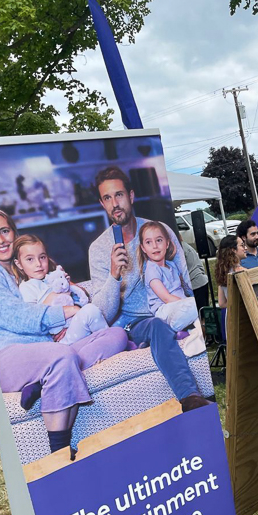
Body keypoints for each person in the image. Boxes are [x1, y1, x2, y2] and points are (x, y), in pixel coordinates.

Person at [0, 208, 128, 458]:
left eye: (4, 231)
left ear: (13, 232)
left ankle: (42, 380)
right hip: (6, 356)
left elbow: (61, 294)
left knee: (117, 335)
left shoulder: (22, 266)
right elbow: (19, 317)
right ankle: (60, 453)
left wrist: (72, 291)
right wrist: (68, 311)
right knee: (61, 357)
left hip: (48, 348)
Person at [88, 166, 210, 412]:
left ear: (131, 196)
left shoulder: (158, 231)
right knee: (157, 325)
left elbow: (183, 277)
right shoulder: (99, 249)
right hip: (137, 324)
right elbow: (104, 314)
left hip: (170, 309)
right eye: (108, 198)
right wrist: (114, 276)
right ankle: (190, 398)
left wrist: (194, 305)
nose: (115, 203)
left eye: (119, 195)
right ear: (102, 203)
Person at [13, 233, 109, 345]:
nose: (38, 264)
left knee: (110, 323)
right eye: (30, 259)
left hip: (75, 326)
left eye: (42, 257)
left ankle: (105, 341)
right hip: (61, 338)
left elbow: (83, 297)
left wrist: (69, 285)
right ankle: (109, 340)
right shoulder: (27, 287)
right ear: (19, 264)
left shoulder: (54, 277)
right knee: (90, 311)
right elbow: (35, 318)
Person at [137, 220, 198, 333]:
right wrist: (186, 302)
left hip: (179, 306)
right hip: (164, 310)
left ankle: (188, 332)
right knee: (194, 305)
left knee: (197, 316)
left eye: (159, 240)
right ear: (143, 248)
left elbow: (182, 289)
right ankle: (171, 329)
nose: (155, 246)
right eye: (149, 242)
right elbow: (166, 298)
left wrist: (187, 302)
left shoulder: (172, 265)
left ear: (167, 243)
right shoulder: (152, 270)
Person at [176, 230, 209, 311]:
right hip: (201, 280)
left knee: (200, 312)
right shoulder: (186, 246)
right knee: (204, 311)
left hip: (195, 283)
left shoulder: (180, 249)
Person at [215, 235, 247, 309]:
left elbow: (222, 303)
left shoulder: (222, 272)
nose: (245, 248)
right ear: (233, 250)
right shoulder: (242, 271)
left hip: (234, 315)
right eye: (242, 245)